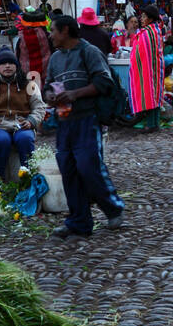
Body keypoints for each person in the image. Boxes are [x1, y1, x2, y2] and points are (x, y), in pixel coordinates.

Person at [44, 15, 125, 240]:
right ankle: (79, 222)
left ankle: (113, 207)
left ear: (66, 31)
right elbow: (47, 85)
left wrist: (75, 94)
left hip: (87, 119)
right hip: (64, 121)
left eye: (53, 31)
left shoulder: (89, 52)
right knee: (68, 170)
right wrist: (50, 95)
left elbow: (104, 82)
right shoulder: (55, 59)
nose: (50, 35)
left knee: (89, 167)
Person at [0, 49, 47, 181]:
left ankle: (29, 179)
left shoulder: (29, 84)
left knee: (25, 139)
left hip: (22, 124)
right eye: (3, 63)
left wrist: (31, 121)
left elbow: (40, 107)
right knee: (2, 141)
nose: (7, 66)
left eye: (11, 63)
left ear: (16, 66)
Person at [128, 3, 164, 133]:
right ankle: (155, 123)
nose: (141, 19)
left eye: (143, 16)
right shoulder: (156, 30)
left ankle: (150, 124)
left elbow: (142, 52)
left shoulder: (147, 33)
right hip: (155, 67)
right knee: (155, 95)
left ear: (150, 19)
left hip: (148, 69)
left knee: (148, 95)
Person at [15, 7, 52, 83]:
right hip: (47, 78)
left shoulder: (21, 39)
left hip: (27, 78)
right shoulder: (49, 37)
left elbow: (17, 57)